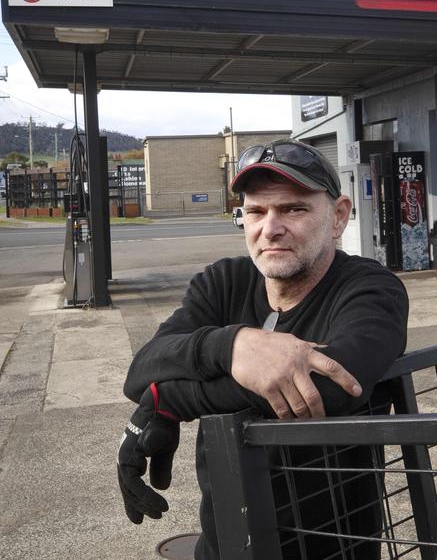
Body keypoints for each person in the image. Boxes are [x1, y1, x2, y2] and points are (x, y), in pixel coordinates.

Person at [118, 139, 409, 559]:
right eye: (255, 211)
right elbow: (143, 368)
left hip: (330, 547)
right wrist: (233, 345)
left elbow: (330, 387)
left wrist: (170, 399)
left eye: (294, 208)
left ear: (338, 216)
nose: (270, 228)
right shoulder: (223, 283)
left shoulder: (370, 289)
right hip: (222, 543)